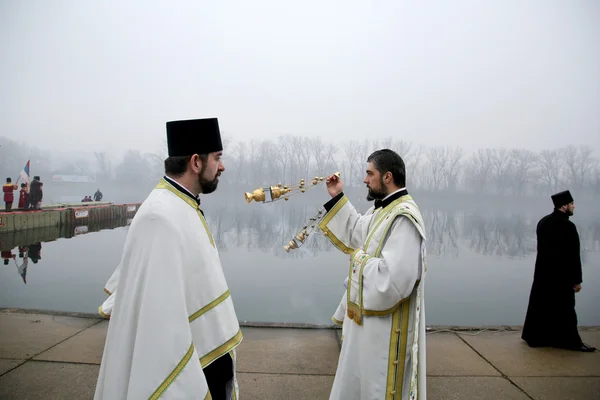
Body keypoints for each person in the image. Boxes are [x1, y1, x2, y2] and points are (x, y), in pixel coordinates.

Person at [94, 118, 243, 400]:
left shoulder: (181, 204)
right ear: (196, 162)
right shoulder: (159, 215)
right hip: (186, 366)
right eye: (217, 158)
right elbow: (159, 323)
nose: (221, 166)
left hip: (206, 356)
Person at [319, 149, 428, 399]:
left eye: (370, 174)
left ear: (387, 176)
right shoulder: (381, 209)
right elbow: (358, 232)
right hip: (368, 326)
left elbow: (394, 281)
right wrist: (337, 197)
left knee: (378, 386)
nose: (365, 179)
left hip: (387, 331)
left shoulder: (404, 217)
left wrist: (358, 260)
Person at [521, 190, 596, 352]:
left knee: (541, 305)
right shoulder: (567, 225)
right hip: (562, 275)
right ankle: (571, 342)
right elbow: (573, 255)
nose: (574, 206)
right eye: (572, 204)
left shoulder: (543, 222)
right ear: (564, 206)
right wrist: (577, 280)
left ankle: (535, 337)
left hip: (543, 273)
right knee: (566, 309)